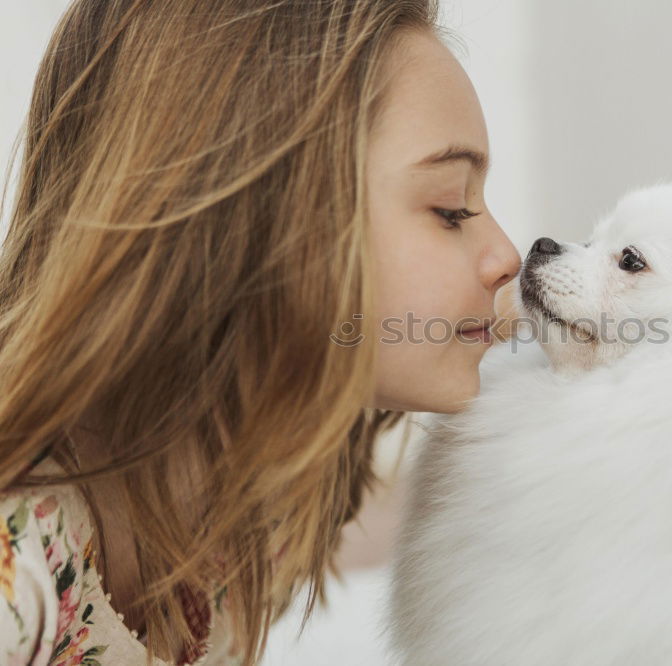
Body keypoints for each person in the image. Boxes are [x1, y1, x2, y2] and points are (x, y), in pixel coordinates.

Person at [0, 1, 520, 664]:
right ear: (256, 213)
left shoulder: (238, 509)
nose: (506, 254)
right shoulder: (17, 577)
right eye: (452, 208)